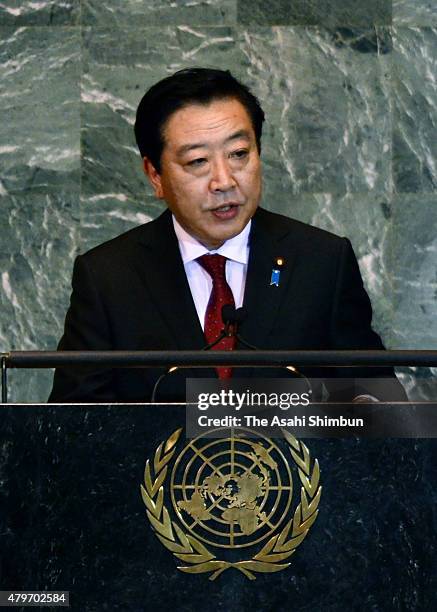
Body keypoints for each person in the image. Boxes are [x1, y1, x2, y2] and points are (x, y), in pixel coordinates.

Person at [49, 68, 404, 403]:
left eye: (238, 154)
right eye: (198, 161)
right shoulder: (108, 277)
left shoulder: (321, 261)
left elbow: (377, 402)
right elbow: (73, 426)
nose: (224, 181)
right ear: (154, 175)